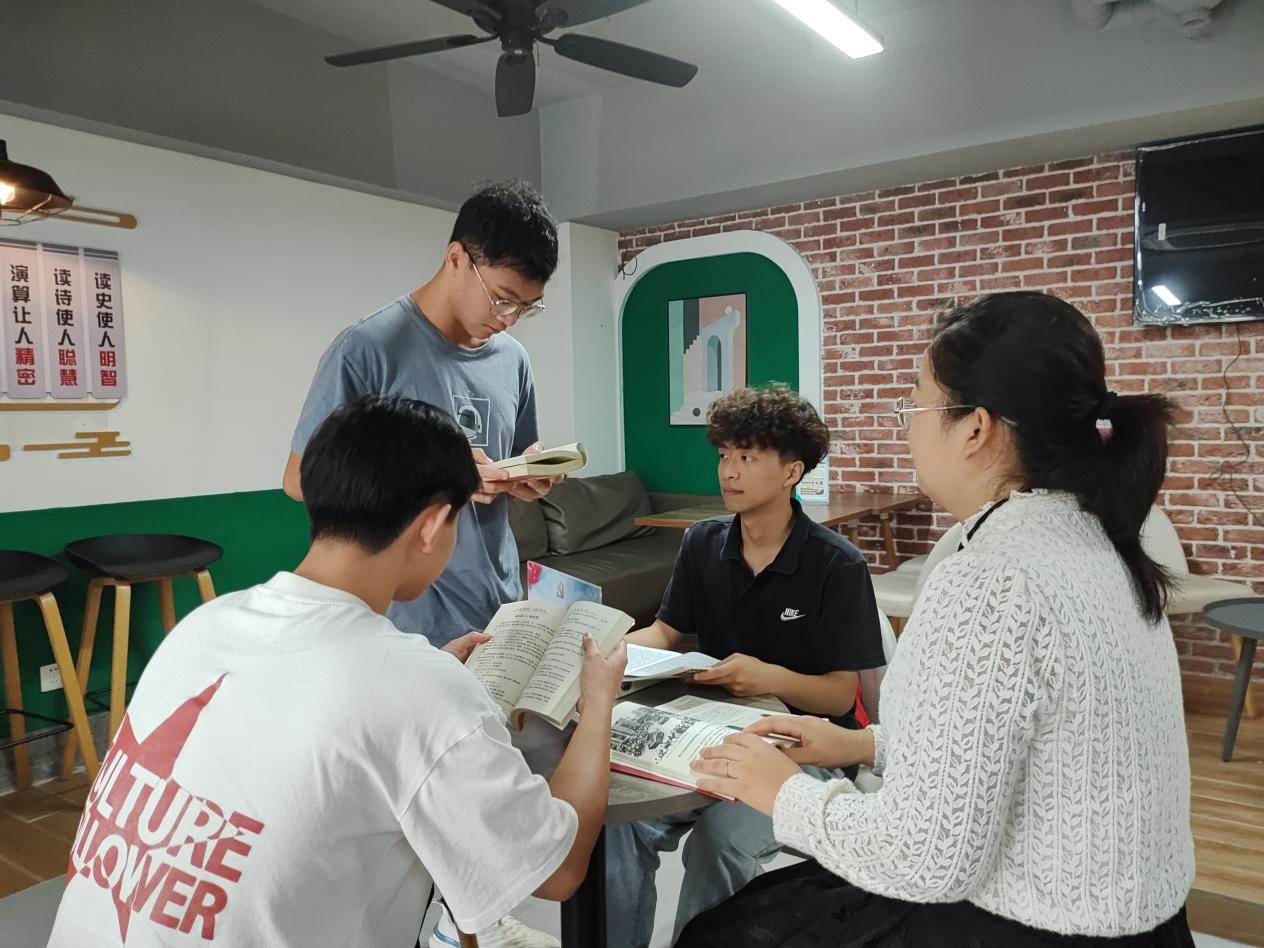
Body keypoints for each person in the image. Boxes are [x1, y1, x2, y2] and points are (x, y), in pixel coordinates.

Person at [682, 292, 1196, 947]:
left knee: (721, 934)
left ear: (977, 428)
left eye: (915, 407)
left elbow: (922, 859)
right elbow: (1025, 743)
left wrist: (782, 791)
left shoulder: (993, 577)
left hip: (1035, 927)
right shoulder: (1100, 540)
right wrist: (861, 745)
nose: (907, 429)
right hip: (1145, 921)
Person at [49, 396, 627, 948]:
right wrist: (597, 698)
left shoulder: (203, 624)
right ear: (432, 525)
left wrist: (422, 683)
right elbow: (557, 872)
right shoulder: (417, 689)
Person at [282, 182, 564, 946]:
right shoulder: (369, 348)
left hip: (490, 599)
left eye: (526, 308)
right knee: (399, 817)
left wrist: (525, 475)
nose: (508, 319)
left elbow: (512, 456)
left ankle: (469, 925)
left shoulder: (511, 359)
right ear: (456, 258)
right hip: (399, 616)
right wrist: (440, 475)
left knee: (472, 804)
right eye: (502, 298)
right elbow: (303, 478)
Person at [608, 384, 886, 947]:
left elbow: (840, 696)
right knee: (617, 825)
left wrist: (768, 678)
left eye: (747, 457)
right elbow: (666, 631)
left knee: (720, 841)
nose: (728, 471)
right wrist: (611, 652)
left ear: (792, 472)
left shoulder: (837, 564)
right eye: (723, 455)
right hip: (707, 729)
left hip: (807, 748)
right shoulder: (702, 542)